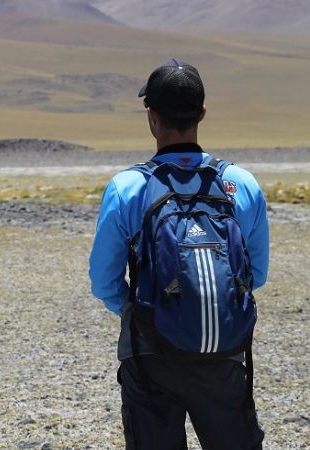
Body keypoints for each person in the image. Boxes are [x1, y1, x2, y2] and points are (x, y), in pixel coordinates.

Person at [89, 59, 269, 449]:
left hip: (149, 354)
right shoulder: (240, 182)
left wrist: (144, 311)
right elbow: (257, 274)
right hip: (224, 349)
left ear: (151, 117)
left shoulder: (128, 187)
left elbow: (104, 282)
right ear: (202, 113)